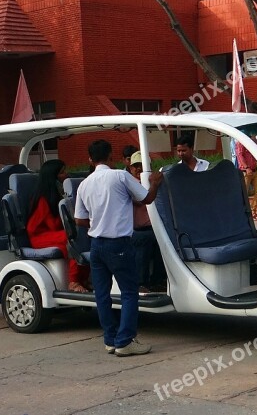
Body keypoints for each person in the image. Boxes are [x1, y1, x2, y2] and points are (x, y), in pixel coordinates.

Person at [74, 139, 163, 357]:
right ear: (111, 156)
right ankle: (125, 340)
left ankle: (110, 339)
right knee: (129, 292)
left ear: (89, 159)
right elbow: (147, 199)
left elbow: (79, 219)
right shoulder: (120, 176)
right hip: (119, 243)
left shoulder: (85, 183)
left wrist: (98, 222)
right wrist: (155, 183)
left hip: (96, 244)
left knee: (102, 295)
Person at [26, 159, 90, 293]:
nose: (66, 174)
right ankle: (73, 281)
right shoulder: (43, 199)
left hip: (53, 233)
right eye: (62, 172)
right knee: (72, 238)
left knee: (83, 235)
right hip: (39, 236)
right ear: (52, 176)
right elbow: (53, 225)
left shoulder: (58, 193)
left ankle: (84, 278)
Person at [128, 151, 167, 292]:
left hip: (155, 228)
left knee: (164, 242)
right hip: (138, 230)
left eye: (142, 165)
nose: (139, 168)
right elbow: (142, 200)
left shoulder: (152, 182)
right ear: (130, 168)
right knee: (143, 240)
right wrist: (154, 185)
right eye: (136, 166)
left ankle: (159, 281)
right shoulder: (130, 184)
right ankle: (140, 284)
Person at [235, 135, 257, 218]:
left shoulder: (252, 142)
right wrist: (246, 167)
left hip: (254, 170)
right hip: (246, 171)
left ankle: (252, 211)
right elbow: (240, 156)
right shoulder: (240, 143)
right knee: (243, 193)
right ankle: (240, 211)